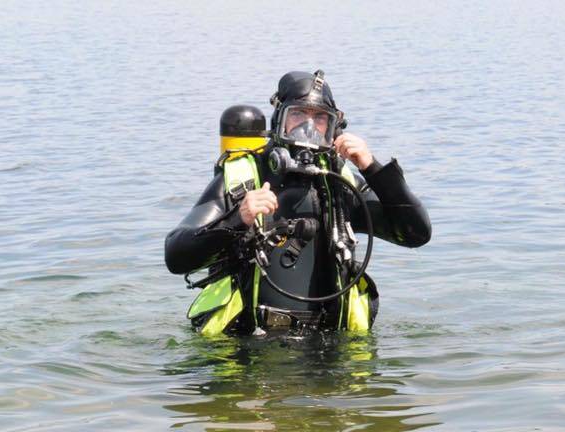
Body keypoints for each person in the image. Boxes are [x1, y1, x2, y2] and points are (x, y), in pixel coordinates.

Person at [165, 70, 430, 336]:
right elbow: (176, 256)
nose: (309, 127)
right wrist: (237, 219)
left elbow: (415, 233)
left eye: (319, 118)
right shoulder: (242, 179)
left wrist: (373, 168)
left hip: (328, 345)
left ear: (333, 127)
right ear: (279, 118)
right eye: (298, 115)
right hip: (247, 346)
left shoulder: (339, 185)